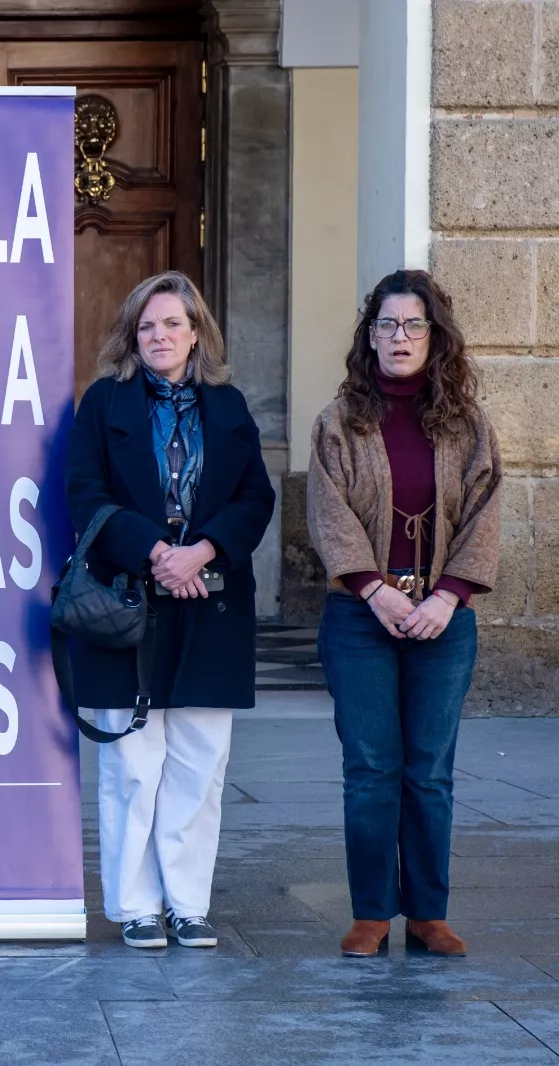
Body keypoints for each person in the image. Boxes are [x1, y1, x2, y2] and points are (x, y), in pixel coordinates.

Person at [66, 270, 275, 951]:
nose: (160, 336)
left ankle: (187, 904)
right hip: (128, 601)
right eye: (147, 325)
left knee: (198, 764)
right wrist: (158, 552)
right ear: (134, 334)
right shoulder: (103, 403)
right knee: (130, 766)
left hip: (209, 604)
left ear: (196, 334)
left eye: (173, 325)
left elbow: (254, 497)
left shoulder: (229, 405)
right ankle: (135, 906)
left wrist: (202, 552)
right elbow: (85, 492)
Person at [308, 270, 500, 959]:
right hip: (361, 617)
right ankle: (370, 912)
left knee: (429, 771)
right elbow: (327, 513)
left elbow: (486, 511)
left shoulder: (466, 423)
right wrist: (374, 590)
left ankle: (426, 912)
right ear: (369, 337)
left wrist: (448, 594)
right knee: (370, 768)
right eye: (386, 325)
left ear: (434, 336)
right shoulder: (339, 420)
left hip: (443, 619)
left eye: (413, 325)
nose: (399, 337)